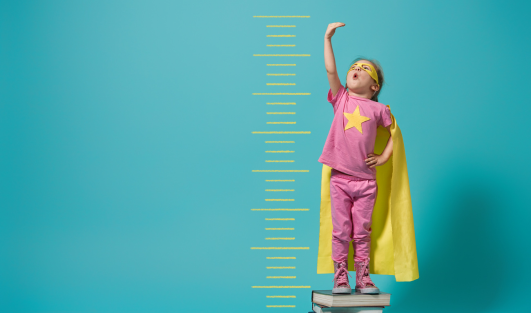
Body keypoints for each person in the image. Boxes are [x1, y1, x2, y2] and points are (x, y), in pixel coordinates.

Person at [318, 22, 393, 295]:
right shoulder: (341, 99)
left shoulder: (378, 109)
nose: (356, 70)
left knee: (361, 232)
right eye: (354, 67)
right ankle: (340, 278)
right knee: (341, 231)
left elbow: (396, 135)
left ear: (374, 86)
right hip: (340, 180)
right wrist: (327, 38)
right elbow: (330, 70)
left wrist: (383, 156)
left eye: (364, 69)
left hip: (366, 182)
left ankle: (363, 278)